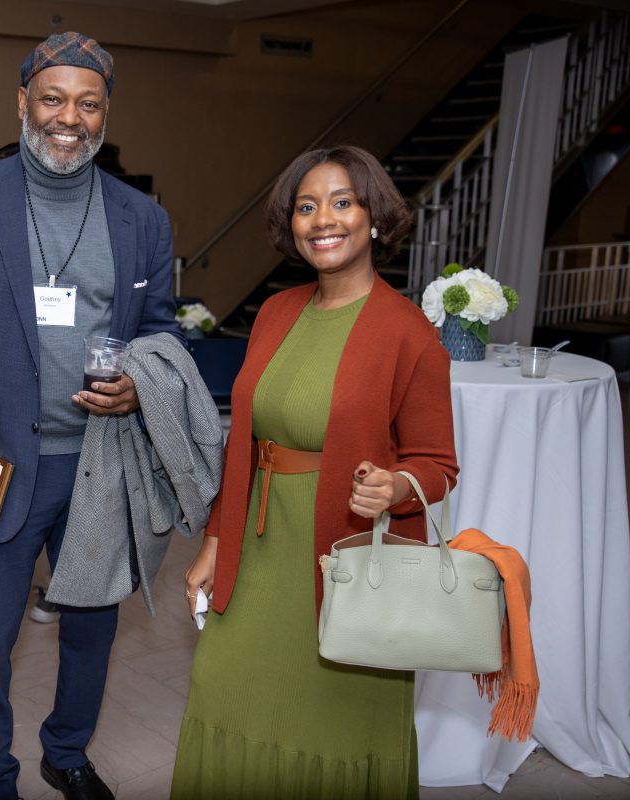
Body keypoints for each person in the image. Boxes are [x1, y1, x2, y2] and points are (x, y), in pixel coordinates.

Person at [0, 32, 179, 800]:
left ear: (105, 114)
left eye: (88, 103)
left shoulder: (141, 218)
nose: (70, 117)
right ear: (23, 101)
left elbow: (162, 330)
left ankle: (66, 752)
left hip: (103, 460)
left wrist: (141, 383)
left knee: (93, 630)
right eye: (53, 98)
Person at [169, 145, 459, 799]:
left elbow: (438, 464)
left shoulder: (408, 332)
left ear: (374, 218)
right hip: (259, 545)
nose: (321, 219)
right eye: (306, 206)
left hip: (344, 555)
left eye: (341, 202)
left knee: (332, 722)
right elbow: (242, 440)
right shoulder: (276, 312)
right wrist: (216, 540)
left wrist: (399, 485)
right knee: (224, 688)